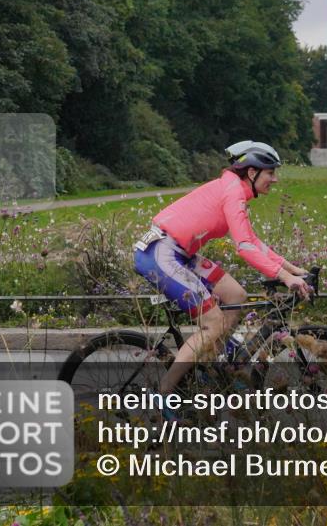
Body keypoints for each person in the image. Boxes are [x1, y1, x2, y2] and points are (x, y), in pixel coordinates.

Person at [133, 140, 312, 402]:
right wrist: (284, 277)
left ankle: (212, 365)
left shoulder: (233, 190)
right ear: (252, 173)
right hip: (160, 253)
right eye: (270, 173)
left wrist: (293, 269)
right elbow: (245, 248)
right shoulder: (233, 193)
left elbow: (253, 241)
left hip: (179, 253)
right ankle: (164, 398)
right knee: (214, 322)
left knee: (236, 296)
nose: (274, 180)